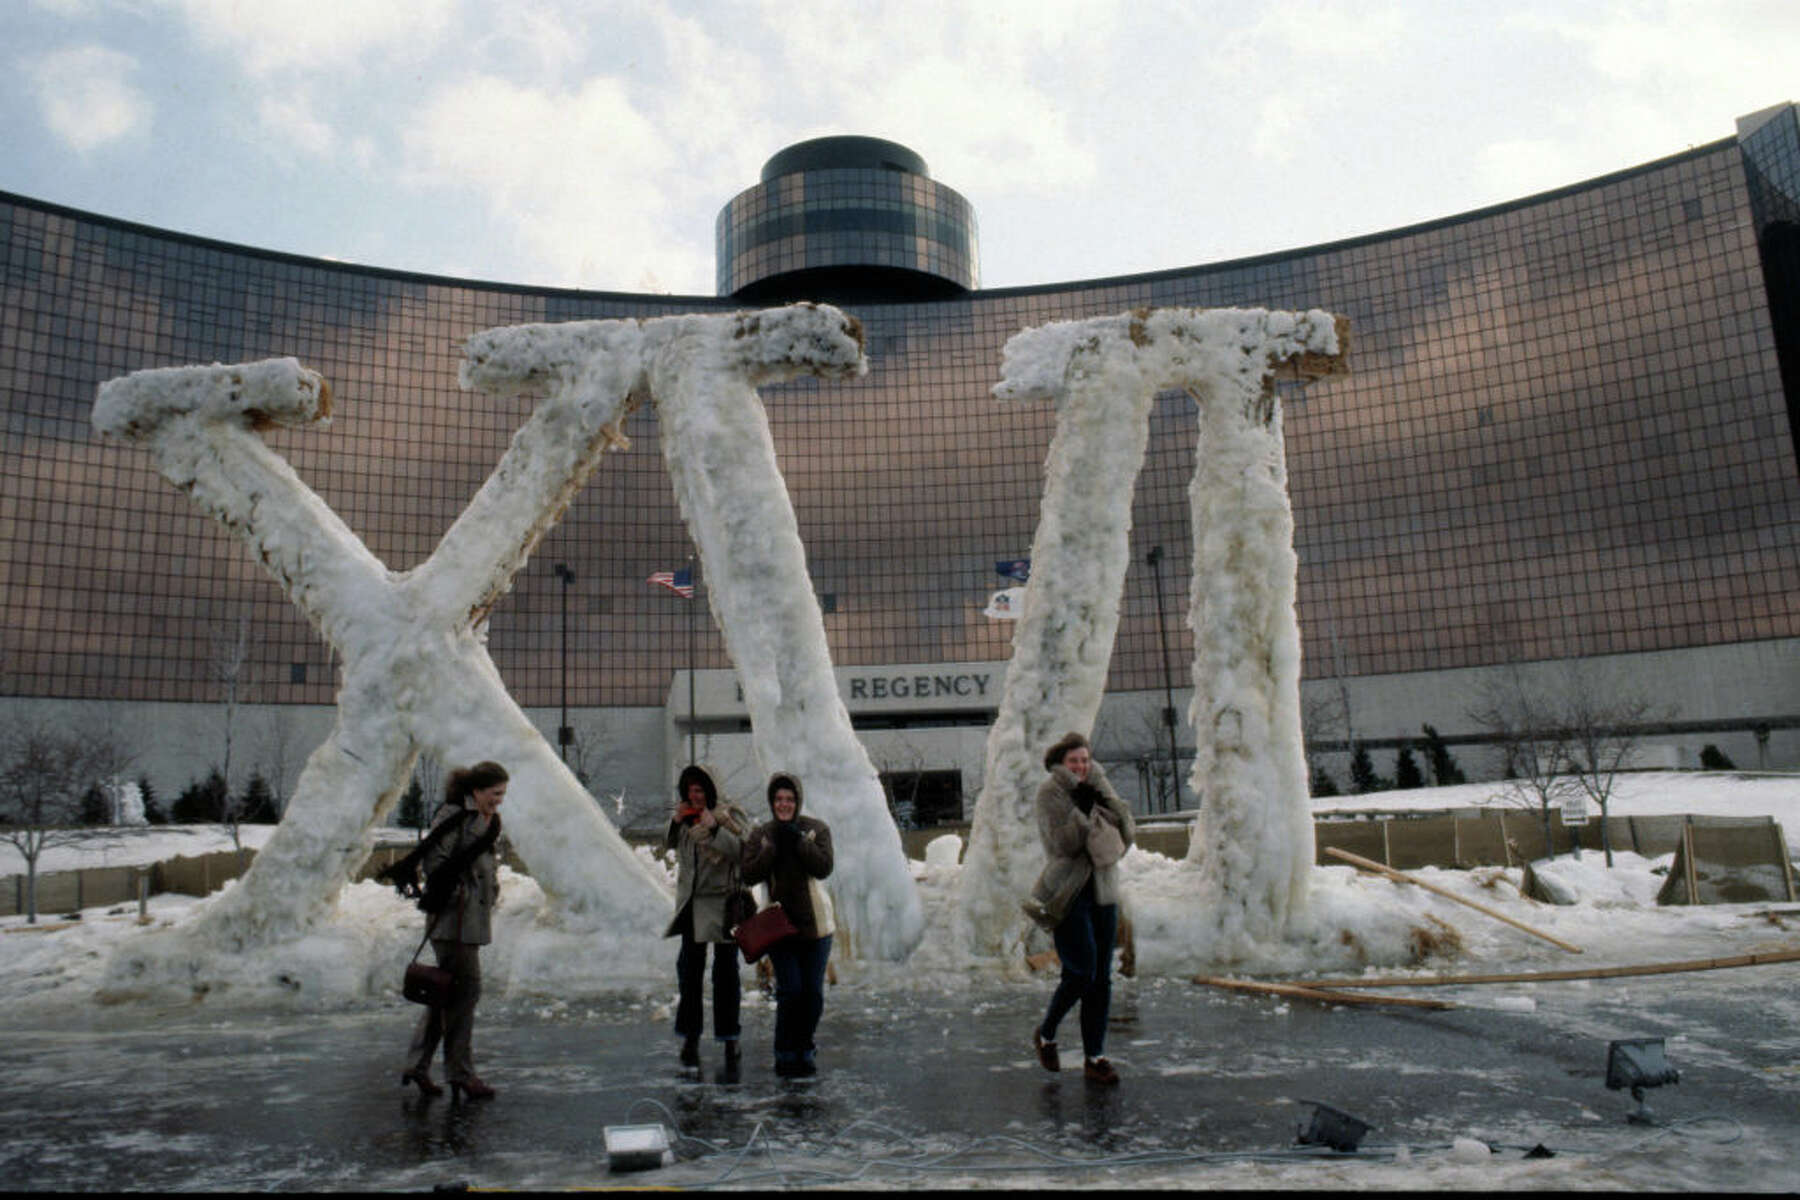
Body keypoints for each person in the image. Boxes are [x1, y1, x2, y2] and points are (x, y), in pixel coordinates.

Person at [1029, 732, 1134, 1086]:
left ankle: (1095, 1057)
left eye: (1085, 760)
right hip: (1069, 892)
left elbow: (1127, 835)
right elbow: (1063, 845)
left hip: (1103, 891)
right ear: (1061, 763)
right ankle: (1045, 1033)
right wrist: (1083, 814)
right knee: (1082, 972)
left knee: (1101, 979)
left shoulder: (1098, 785)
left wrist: (1106, 803)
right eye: (1074, 761)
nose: (1082, 767)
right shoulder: (1051, 793)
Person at [401, 761, 508, 1101]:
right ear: (476, 791)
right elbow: (434, 861)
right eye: (495, 793)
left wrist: (492, 890)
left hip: (470, 919)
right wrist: (460, 888)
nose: (499, 800)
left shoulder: (488, 820)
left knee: (443, 995)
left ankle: (417, 1065)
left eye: (503, 794)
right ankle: (461, 1074)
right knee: (465, 995)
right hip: (452, 919)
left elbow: (486, 862)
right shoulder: (454, 815)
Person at [741, 771, 834, 1078]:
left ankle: (805, 1046)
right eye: (778, 799)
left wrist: (798, 841)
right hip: (779, 927)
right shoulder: (762, 834)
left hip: (816, 926)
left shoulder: (816, 829)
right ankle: (784, 1051)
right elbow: (749, 874)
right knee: (790, 991)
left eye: (789, 799)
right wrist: (769, 851)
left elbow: (823, 867)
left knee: (812, 994)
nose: (784, 804)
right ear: (771, 802)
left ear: (798, 801)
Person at [663, 763, 751, 1079]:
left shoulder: (729, 814)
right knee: (689, 973)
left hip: (723, 904)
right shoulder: (686, 816)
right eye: (689, 790)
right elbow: (672, 845)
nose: (693, 796)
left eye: (699, 790)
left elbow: (744, 850)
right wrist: (675, 824)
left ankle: (730, 1038)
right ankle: (690, 1037)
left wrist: (715, 831)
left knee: (725, 976)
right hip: (692, 905)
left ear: (711, 790)